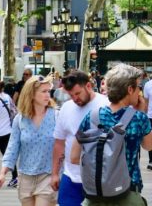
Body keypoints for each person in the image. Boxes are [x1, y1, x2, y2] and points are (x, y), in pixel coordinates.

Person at [71, 64, 152, 205]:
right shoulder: (138, 118)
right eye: (138, 88)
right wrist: (140, 112)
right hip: (127, 194)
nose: (139, 92)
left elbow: (74, 157)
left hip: (95, 195)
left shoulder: (92, 117)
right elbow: (150, 145)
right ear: (130, 89)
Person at [0, 75, 57, 205]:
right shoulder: (20, 119)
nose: (47, 95)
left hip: (48, 175)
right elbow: (12, 147)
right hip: (25, 177)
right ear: (31, 94)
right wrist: (2, 174)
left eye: (48, 91)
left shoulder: (57, 116)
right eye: (43, 91)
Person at [51, 70, 109, 206]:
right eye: (71, 95)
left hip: (99, 179)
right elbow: (59, 143)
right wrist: (54, 173)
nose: (75, 99)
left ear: (88, 86)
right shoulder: (66, 108)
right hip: (70, 177)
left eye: (78, 93)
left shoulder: (105, 105)